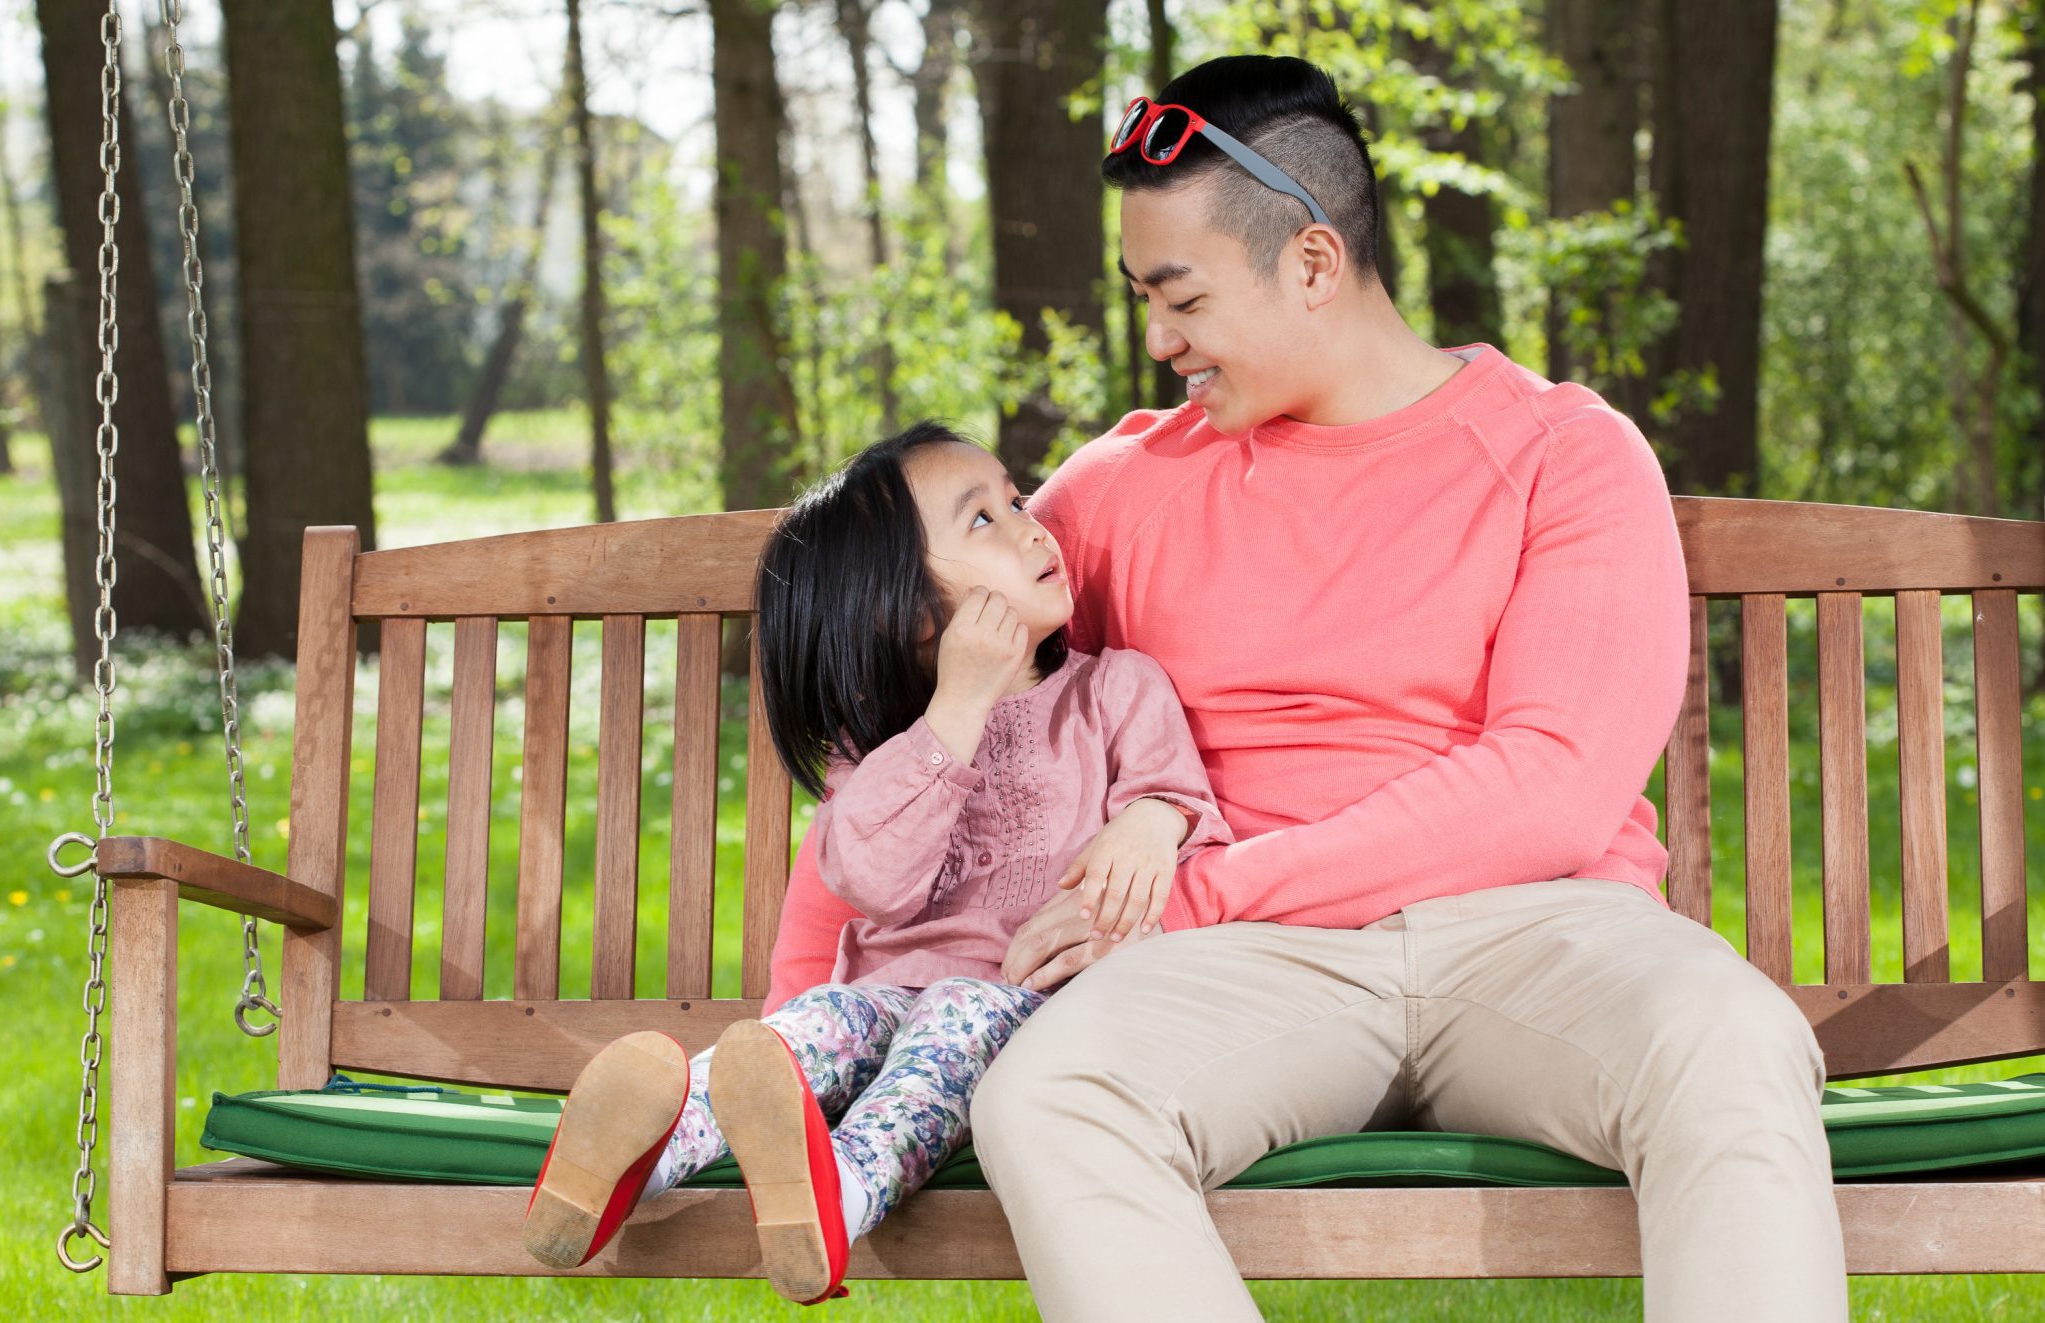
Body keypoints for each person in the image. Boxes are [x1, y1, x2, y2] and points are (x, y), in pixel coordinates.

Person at [766, 55, 1850, 1322]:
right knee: (1052, 1092)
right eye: (1142, 300)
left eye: (1180, 298)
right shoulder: (1114, 492)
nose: (1157, 340)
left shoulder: (1565, 454)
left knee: (1728, 1039)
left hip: (1533, 936)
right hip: (1238, 972)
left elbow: (1548, 787)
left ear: (1313, 264)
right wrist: (801, 1028)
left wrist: (1193, 889)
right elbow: (904, 720)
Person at [520, 421, 1230, 1304]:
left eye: (1014, 499)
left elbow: (1186, 808)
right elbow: (867, 876)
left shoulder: (1115, 689)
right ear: (909, 613)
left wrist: (1152, 823)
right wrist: (958, 706)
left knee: (954, 1027)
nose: (1031, 524)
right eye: (983, 522)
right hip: (884, 996)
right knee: (798, 1037)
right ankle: (632, 1155)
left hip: (1026, 1007)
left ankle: (839, 1192)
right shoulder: (886, 744)